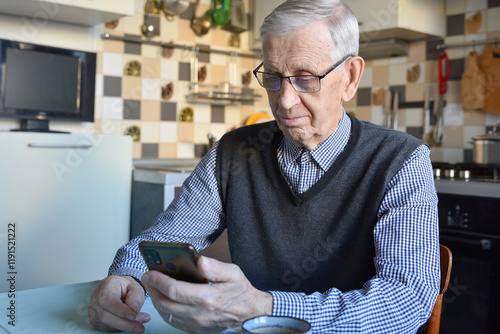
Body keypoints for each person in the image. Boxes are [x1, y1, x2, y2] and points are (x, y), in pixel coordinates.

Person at [88, 0, 440, 333]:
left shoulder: (402, 162)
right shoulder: (234, 152)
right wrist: (126, 278)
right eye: (272, 76)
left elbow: (406, 302)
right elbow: (160, 243)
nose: (284, 101)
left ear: (349, 77)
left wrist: (264, 307)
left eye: (305, 78)